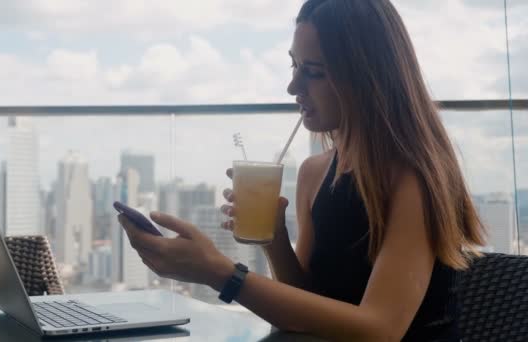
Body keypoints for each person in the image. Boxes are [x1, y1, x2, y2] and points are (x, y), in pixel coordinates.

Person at [119, 0, 485, 340]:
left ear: (365, 78)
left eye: (313, 72)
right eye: (295, 65)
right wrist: (273, 238)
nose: (293, 86)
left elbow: (381, 329)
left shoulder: (414, 177)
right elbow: (303, 307)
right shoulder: (315, 172)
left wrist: (220, 273)